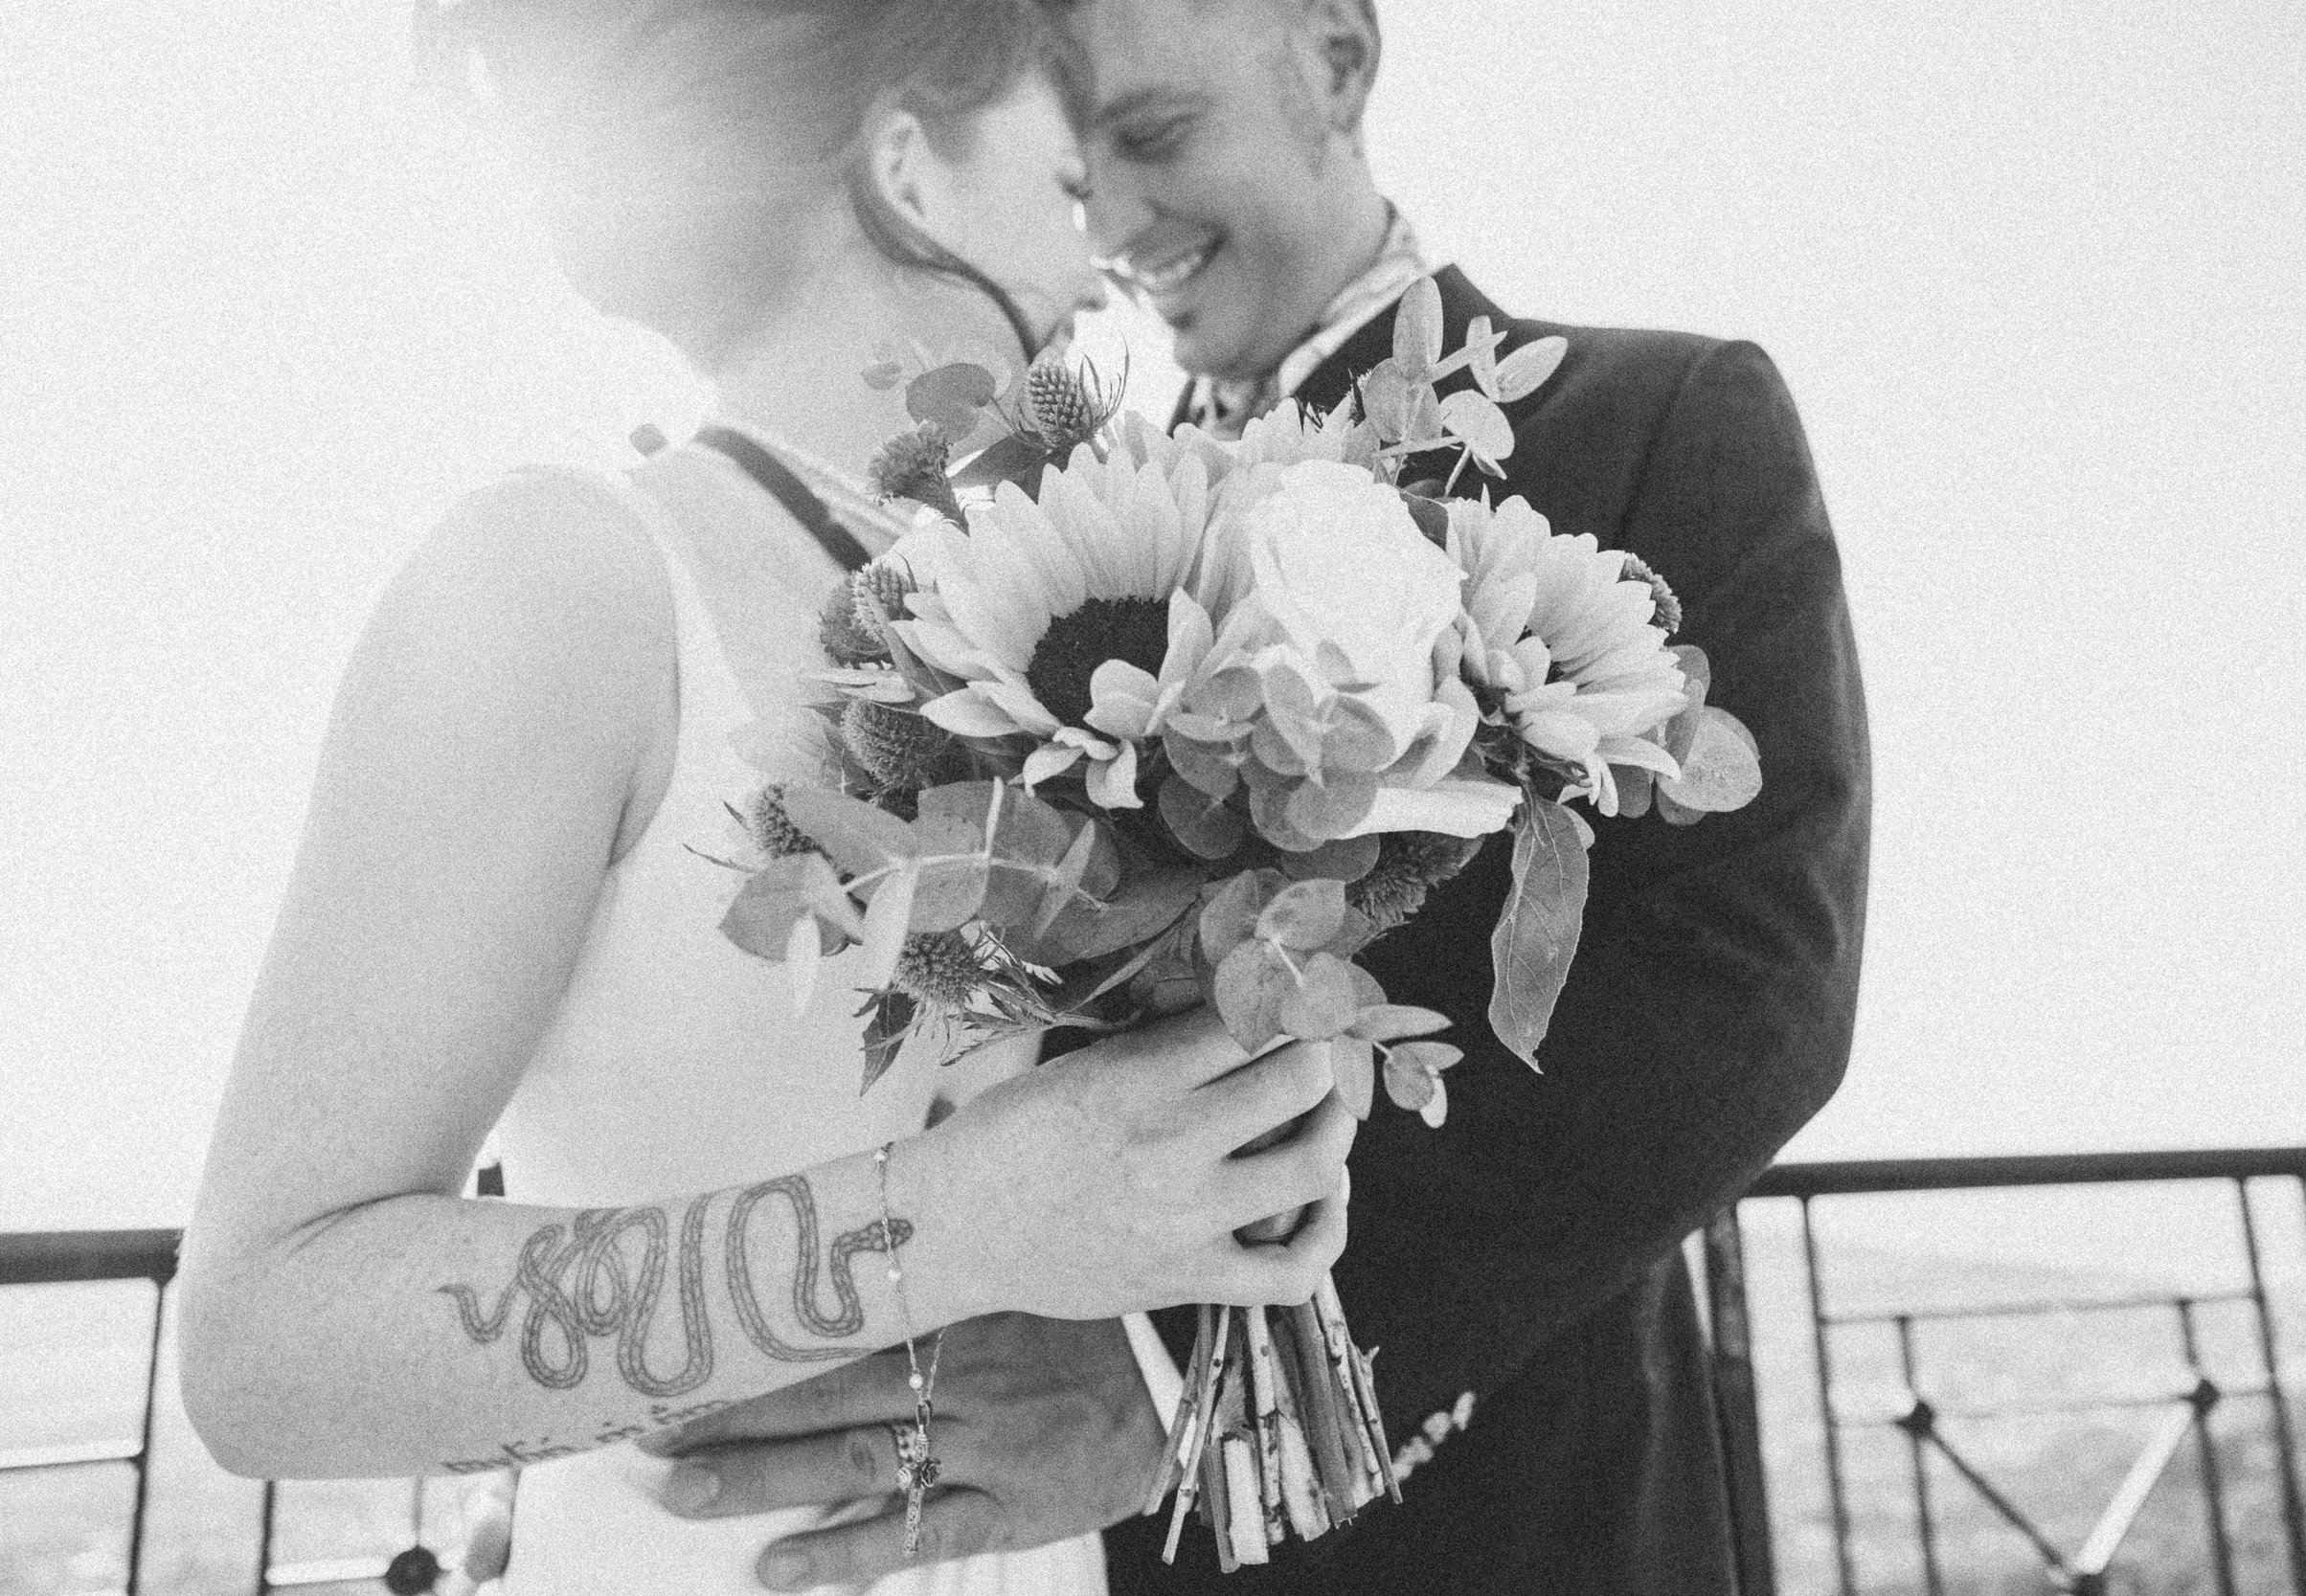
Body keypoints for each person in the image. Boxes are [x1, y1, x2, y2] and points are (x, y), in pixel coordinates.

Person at [637, 1, 1872, 1592]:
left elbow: (1749, 986)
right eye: (1075, 170)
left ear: (1337, 60)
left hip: (1504, 1510)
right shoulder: (1055, 514)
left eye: (1155, 135)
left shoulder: (1657, 422)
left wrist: (1165, 1370)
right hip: (1064, 1530)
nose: (1115, 221)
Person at [173, 4, 1360, 1594]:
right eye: (1068, 191)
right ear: (909, 170)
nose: (1100, 273)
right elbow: (259, 1346)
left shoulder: (1055, 615)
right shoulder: (563, 581)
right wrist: (949, 1222)